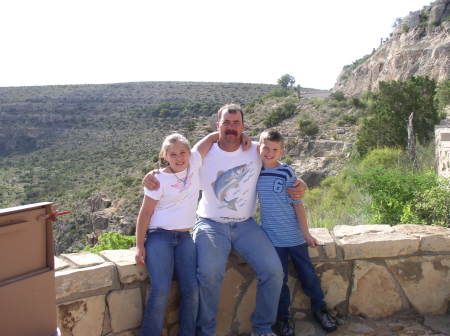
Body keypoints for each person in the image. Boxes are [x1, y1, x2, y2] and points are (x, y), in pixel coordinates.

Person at [144, 104, 307, 336]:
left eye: (236, 123)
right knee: (209, 274)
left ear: (243, 126)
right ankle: (206, 332)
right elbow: (172, 166)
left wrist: (301, 183)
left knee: (274, 272)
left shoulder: (255, 151)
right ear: (217, 125)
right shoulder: (202, 154)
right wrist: (149, 176)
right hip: (210, 223)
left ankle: (262, 328)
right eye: (227, 123)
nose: (231, 127)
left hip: (246, 224)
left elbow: (278, 165)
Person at [135, 132, 219, 336]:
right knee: (161, 289)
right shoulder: (157, 180)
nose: (179, 158)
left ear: (189, 153)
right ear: (164, 155)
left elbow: (209, 140)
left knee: (191, 290)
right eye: (173, 154)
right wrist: (139, 246)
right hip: (159, 237)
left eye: (183, 152)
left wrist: (230, 134)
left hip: (185, 239)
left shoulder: (194, 163)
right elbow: (145, 213)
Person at [256, 129, 337, 335]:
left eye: (275, 149)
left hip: (294, 237)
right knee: (279, 281)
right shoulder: (255, 171)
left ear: (281, 152)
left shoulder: (286, 173)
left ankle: (320, 309)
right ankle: (283, 319)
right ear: (259, 147)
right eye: (266, 147)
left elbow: (298, 204)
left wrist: (306, 234)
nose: (269, 152)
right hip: (273, 240)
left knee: (308, 275)